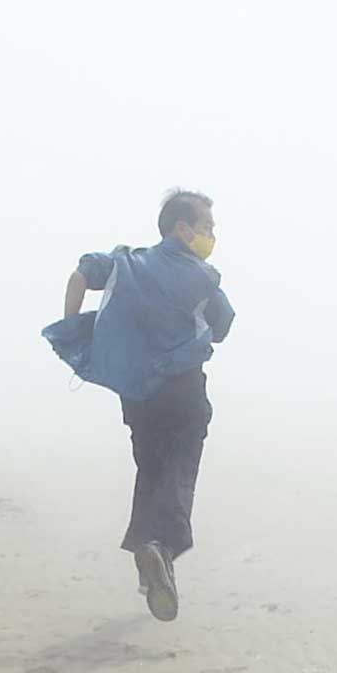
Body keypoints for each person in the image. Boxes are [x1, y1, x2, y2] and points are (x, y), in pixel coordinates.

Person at [41, 190, 236, 622]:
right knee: (180, 468)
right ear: (182, 229)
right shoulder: (202, 276)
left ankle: (151, 562)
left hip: (137, 393)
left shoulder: (125, 261)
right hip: (183, 389)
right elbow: (222, 326)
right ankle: (159, 548)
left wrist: (75, 325)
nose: (211, 235)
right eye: (207, 227)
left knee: (150, 467)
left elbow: (80, 275)